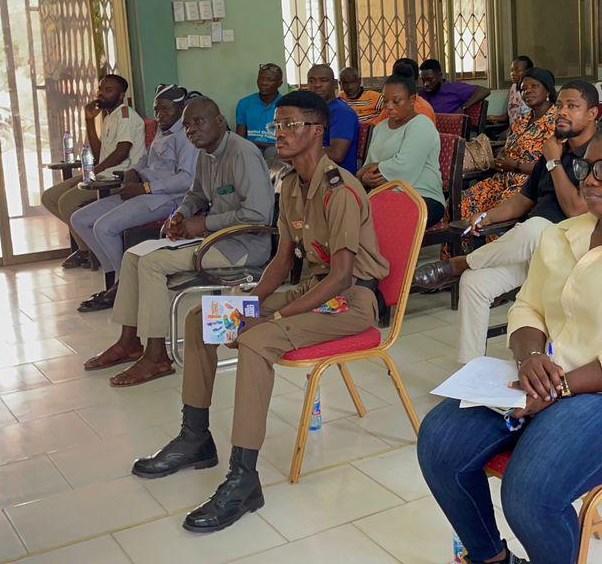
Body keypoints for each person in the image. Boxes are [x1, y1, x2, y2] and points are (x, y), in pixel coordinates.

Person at [417, 123, 602, 564]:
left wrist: (561, 388)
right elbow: (527, 307)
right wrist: (530, 356)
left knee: (531, 494)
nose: (589, 179)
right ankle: (491, 558)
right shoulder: (562, 235)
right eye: (587, 167)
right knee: (439, 441)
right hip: (550, 379)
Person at [131, 90, 389, 534]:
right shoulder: (290, 183)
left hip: (352, 303)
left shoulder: (341, 189)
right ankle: (196, 437)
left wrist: (269, 319)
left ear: (316, 131)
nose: (280, 133)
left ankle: (244, 477)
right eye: (278, 125)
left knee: (255, 339)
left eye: (290, 125)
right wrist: (250, 303)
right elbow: (283, 259)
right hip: (311, 289)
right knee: (202, 319)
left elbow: (343, 276)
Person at [84, 97, 274, 387]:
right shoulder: (205, 155)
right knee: (134, 255)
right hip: (216, 240)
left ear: (220, 121)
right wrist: (180, 214)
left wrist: (203, 223)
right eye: (186, 126)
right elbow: (196, 194)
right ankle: (129, 341)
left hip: (243, 248)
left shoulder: (242, 153)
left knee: (151, 264)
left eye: (199, 122)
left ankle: (157, 356)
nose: (192, 130)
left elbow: (258, 215)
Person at [411, 81, 599, 363]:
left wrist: (553, 163)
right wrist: (486, 216)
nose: (562, 112)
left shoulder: (598, 155)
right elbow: (521, 202)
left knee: (537, 229)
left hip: (573, 252)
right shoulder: (555, 151)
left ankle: (460, 263)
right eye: (560, 105)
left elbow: (575, 209)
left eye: (572, 106)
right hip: (537, 254)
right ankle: (469, 373)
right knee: (474, 283)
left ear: (593, 113)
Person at [71, 84, 199, 312]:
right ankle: (119, 277)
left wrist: (146, 188)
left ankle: (121, 286)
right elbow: (147, 160)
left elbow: (187, 179)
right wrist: (135, 171)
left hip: (166, 199)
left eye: (166, 110)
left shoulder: (186, 134)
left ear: (181, 109)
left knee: (104, 227)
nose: (160, 116)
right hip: (142, 190)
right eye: (157, 110)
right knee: (80, 219)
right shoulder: (163, 129)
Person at [42, 73, 146, 269]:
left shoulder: (125, 115)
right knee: (50, 197)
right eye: (100, 89)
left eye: (108, 90)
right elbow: (99, 154)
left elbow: (122, 152)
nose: (101, 94)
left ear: (121, 95)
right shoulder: (109, 117)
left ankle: (86, 251)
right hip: (103, 174)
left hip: (120, 177)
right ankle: (88, 248)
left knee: (66, 202)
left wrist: (92, 173)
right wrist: (89, 121)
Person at [459, 68, 557, 221]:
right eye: (523, 89)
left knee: (494, 215)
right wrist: (500, 157)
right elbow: (509, 148)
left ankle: (490, 243)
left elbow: (552, 166)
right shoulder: (521, 120)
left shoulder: (556, 122)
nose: (528, 92)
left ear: (548, 90)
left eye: (534, 86)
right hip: (502, 179)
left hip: (528, 186)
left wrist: (515, 165)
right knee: (462, 204)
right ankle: (461, 245)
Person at [360, 74, 446, 224]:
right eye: (386, 101)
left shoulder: (421, 124)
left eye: (396, 101)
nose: (389, 106)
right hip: (383, 195)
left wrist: (377, 168)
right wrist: (364, 178)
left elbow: (405, 167)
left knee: (373, 218)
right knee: (347, 210)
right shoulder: (380, 127)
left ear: (412, 100)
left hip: (421, 197)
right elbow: (367, 167)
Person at [300, 63, 360, 173]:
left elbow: (336, 154)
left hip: (337, 178)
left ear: (334, 83)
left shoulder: (342, 113)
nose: (317, 85)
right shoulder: (312, 111)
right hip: (313, 170)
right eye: (312, 81)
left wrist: (299, 151)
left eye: (323, 80)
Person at [234, 63, 284, 150]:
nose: (264, 83)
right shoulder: (244, 104)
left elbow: (287, 144)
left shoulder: (287, 106)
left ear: (280, 84)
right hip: (250, 154)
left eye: (270, 80)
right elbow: (240, 141)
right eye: (261, 78)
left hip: (278, 155)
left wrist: (256, 144)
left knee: (271, 152)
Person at [419, 58, 490, 115]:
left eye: (430, 79)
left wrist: (464, 108)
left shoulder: (454, 88)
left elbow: (484, 91)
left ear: (440, 75)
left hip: (450, 129)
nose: (426, 84)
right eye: (423, 80)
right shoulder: (423, 93)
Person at [502, 55, 535, 124]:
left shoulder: (532, 90)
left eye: (517, 71)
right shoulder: (514, 87)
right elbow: (511, 108)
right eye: (512, 70)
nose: (513, 74)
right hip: (513, 127)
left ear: (528, 71)